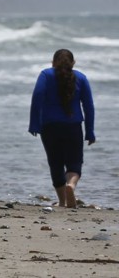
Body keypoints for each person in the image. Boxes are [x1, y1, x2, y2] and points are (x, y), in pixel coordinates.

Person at [29, 49, 96, 209]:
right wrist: (90, 130)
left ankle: (62, 201)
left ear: (53, 62)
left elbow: (37, 96)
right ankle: (71, 186)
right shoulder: (81, 77)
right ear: (73, 63)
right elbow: (89, 106)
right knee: (74, 162)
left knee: (55, 163)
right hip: (73, 127)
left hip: (49, 126)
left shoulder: (46, 75)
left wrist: (34, 123)